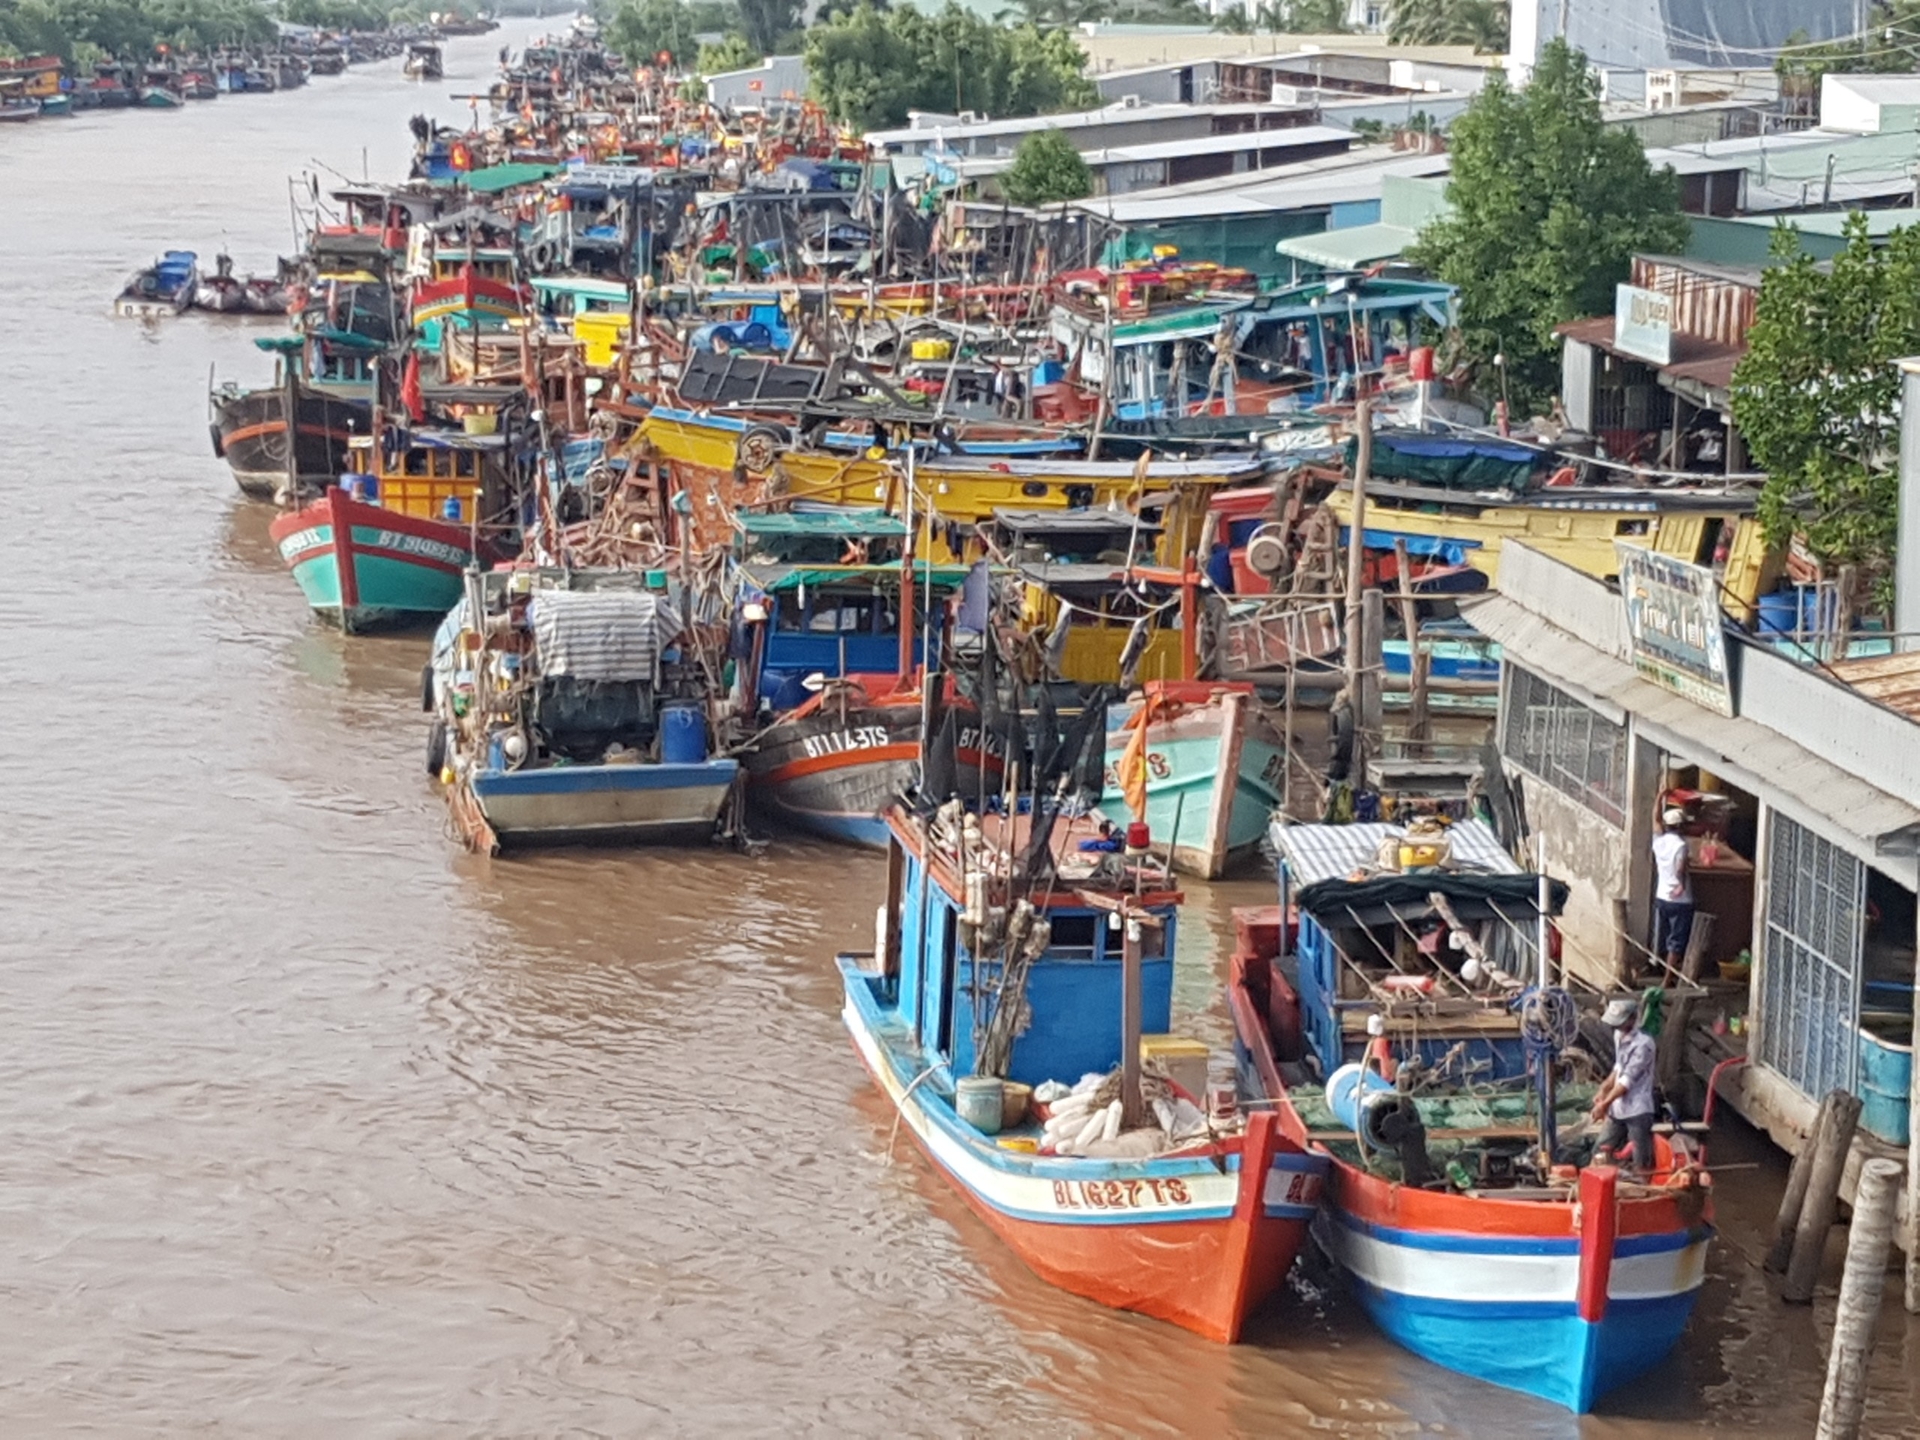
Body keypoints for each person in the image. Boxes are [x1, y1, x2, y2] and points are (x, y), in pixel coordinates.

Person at [1590, 997, 1657, 1175]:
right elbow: (1618, 1068)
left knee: (1640, 1160)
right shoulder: (1618, 1035)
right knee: (1600, 1149)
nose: (1617, 1028)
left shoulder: (1644, 1044)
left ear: (1632, 1019)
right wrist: (1603, 1088)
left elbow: (1627, 1081)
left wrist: (1603, 1105)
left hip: (1637, 1109)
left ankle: (1643, 1188)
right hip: (1617, 1109)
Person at [1651, 807, 1693, 972]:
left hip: (1662, 896)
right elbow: (1680, 868)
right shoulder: (1681, 845)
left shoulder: (1658, 841)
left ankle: (1660, 968)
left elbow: (1655, 820)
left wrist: (1660, 796)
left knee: (1664, 935)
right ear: (1680, 826)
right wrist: (1681, 885)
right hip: (1680, 900)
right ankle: (1668, 977)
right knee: (1676, 941)